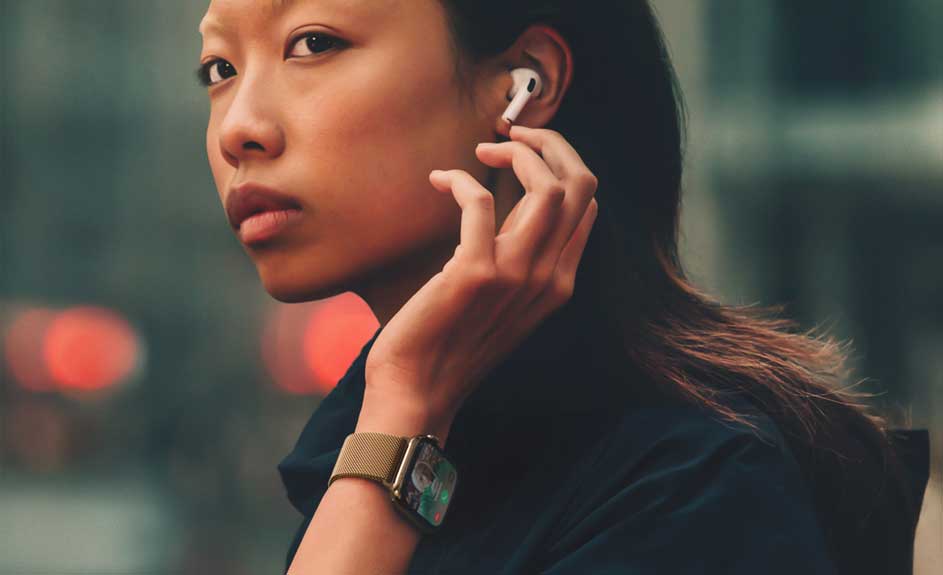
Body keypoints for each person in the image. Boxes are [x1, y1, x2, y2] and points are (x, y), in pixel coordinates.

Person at [195, 1, 931, 573]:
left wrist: (396, 430)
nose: (239, 128)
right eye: (217, 70)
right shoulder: (376, 439)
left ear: (524, 85)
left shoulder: (690, 490)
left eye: (313, 43)